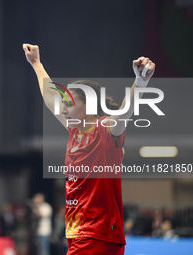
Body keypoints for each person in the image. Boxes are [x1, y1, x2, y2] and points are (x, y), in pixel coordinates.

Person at [23, 43, 155, 255]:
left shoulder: (106, 131)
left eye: (70, 104)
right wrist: (37, 63)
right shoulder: (75, 133)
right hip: (78, 233)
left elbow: (125, 111)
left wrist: (140, 83)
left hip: (98, 234)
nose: (63, 109)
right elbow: (50, 98)